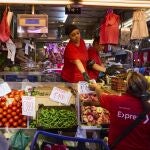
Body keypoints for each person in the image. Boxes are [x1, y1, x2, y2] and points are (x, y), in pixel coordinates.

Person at [89, 71, 150, 150]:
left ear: (127, 86)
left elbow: (101, 96)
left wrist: (96, 87)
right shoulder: (147, 107)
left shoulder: (116, 101)